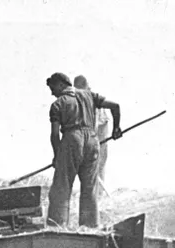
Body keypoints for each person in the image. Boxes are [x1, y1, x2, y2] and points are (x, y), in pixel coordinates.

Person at [45, 72, 121, 228]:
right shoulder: (89, 95)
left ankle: (57, 227)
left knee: (62, 187)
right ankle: (90, 228)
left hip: (72, 139)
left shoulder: (58, 104)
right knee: (89, 189)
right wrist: (116, 128)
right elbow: (115, 106)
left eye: (52, 88)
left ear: (61, 85)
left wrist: (56, 156)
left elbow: (54, 135)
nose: (52, 93)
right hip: (93, 142)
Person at [74, 75, 111, 189]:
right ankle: (95, 190)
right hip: (96, 129)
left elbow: (93, 124)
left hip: (101, 129)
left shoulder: (91, 98)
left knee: (99, 162)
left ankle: (99, 192)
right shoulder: (80, 98)